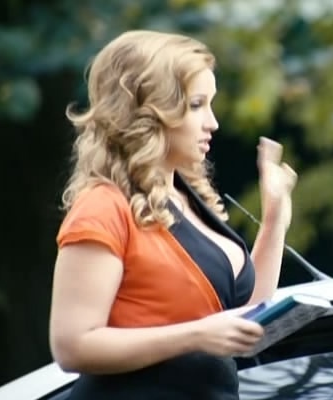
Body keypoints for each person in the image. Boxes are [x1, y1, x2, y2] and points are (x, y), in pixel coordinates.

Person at [48, 30, 298, 399]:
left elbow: (242, 315)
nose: (212, 122)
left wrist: (276, 216)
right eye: (197, 105)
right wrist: (195, 335)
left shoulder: (188, 198)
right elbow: (72, 346)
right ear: (149, 111)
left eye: (210, 104)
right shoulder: (104, 206)